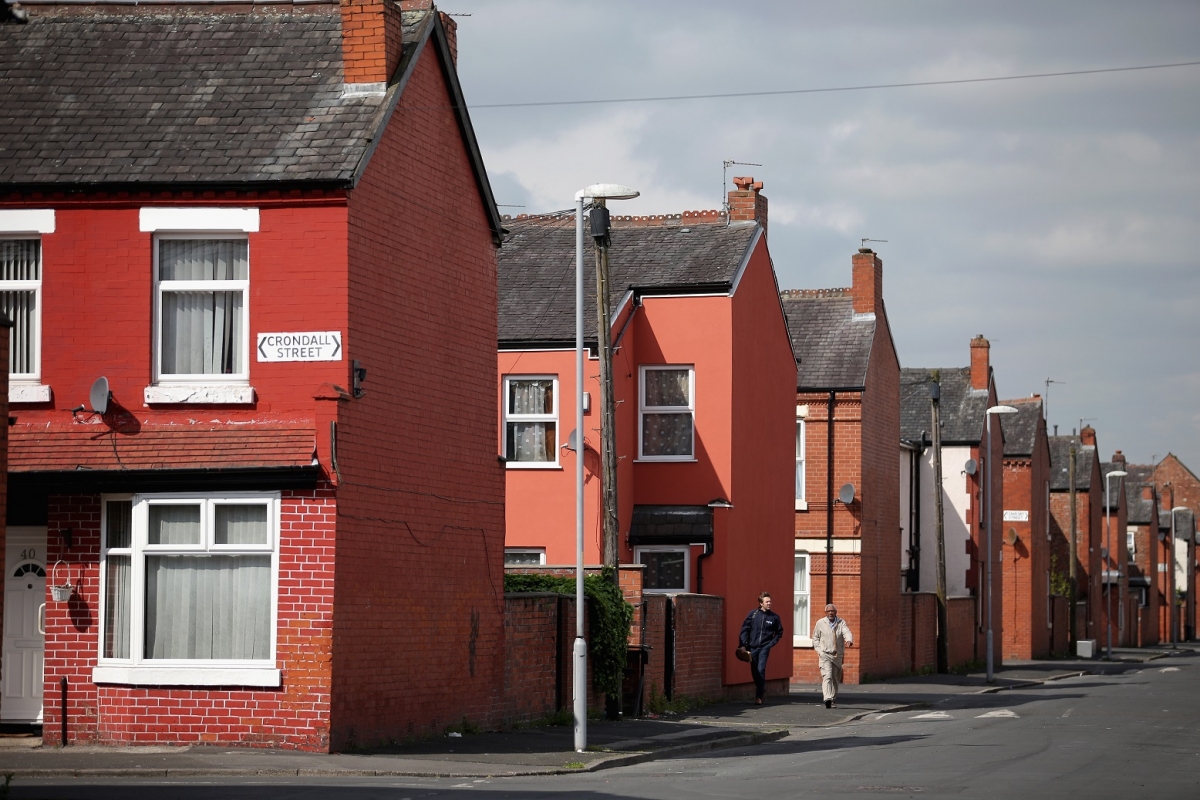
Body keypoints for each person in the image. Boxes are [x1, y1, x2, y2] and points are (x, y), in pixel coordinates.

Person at [739, 591, 783, 705]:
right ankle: (761, 688)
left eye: (770, 601)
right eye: (767, 602)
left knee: (761, 670)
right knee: (754, 670)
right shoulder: (753, 614)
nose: (769, 603)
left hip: (764, 647)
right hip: (752, 647)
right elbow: (745, 630)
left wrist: (770, 644)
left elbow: (779, 632)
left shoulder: (774, 617)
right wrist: (743, 645)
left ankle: (759, 696)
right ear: (761, 603)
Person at [812, 603, 854, 708]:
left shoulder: (841, 622)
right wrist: (820, 651)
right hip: (825, 654)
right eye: (828, 611)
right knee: (827, 676)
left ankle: (833, 698)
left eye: (832, 611)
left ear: (836, 612)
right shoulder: (820, 623)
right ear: (825, 613)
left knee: (835, 678)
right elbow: (815, 639)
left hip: (837, 655)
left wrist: (849, 640)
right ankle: (828, 699)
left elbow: (846, 632)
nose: (830, 613)